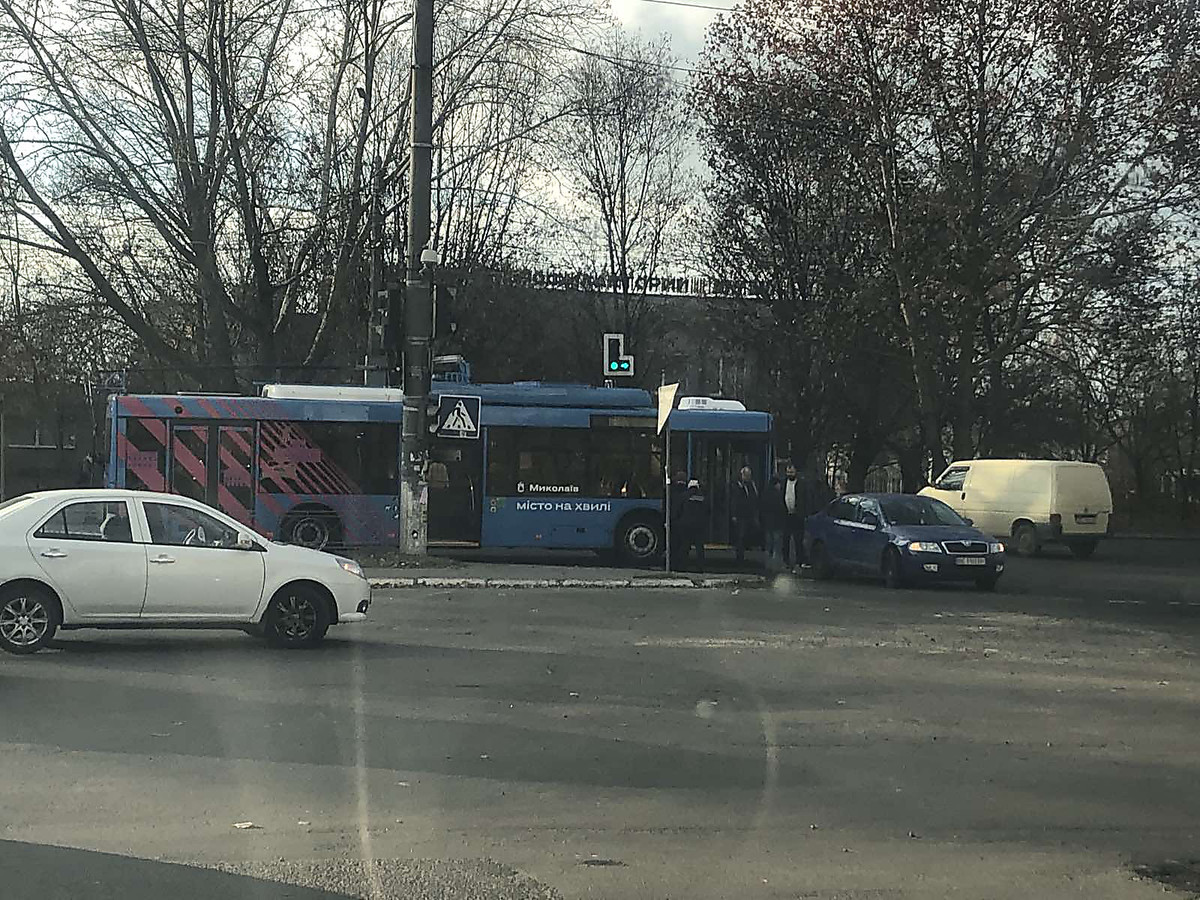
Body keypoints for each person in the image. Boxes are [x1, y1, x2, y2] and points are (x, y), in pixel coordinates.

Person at [730, 465, 760, 565]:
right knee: (740, 535)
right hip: (741, 515)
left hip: (749, 514)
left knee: (747, 534)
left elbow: (754, 498)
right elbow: (735, 500)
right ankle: (739, 556)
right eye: (746, 475)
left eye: (749, 475)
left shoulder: (751, 485)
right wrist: (734, 514)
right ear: (742, 475)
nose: (748, 477)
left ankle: (745, 551)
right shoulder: (737, 485)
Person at [678, 478, 709, 572]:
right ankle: (700, 567)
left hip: (686, 525)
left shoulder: (684, 496)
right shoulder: (702, 496)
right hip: (699, 526)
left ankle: (682, 567)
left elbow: (679, 510)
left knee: (685, 546)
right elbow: (708, 510)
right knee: (699, 547)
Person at [781, 463, 806, 569]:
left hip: (798, 515)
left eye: (792, 472)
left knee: (798, 539)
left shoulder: (801, 484)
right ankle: (785, 561)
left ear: (796, 472)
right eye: (788, 472)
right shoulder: (783, 483)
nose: (790, 474)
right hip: (786, 515)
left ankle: (799, 561)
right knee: (785, 539)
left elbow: (805, 499)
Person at [762, 474, 788, 572]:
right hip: (777, 524)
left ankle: (767, 565)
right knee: (777, 545)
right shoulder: (778, 495)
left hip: (768, 523)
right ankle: (775, 566)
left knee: (768, 545)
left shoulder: (765, 493)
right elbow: (781, 509)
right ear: (776, 484)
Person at [667, 470, 688, 569]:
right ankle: (681, 565)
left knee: (673, 544)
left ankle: (671, 565)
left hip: (673, 520)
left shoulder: (671, 489)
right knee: (682, 544)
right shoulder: (687, 491)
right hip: (683, 521)